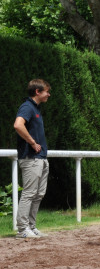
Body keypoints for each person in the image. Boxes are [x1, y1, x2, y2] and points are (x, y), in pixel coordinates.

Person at [13, 79, 51, 239]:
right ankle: (22, 229)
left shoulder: (36, 109)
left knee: (39, 193)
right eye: (46, 91)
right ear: (37, 92)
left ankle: (31, 226)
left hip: (40, 158)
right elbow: (18, 125)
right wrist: (32, 142)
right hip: (31, 157)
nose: (48, 94)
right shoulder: (27, 107)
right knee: (29, 193)